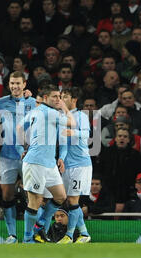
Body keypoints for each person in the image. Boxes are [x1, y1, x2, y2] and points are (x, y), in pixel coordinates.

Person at [19, 84, 75, 243]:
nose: (58, 100)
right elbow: (72, 123)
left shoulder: (35, 112)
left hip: (49, 163)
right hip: (35, 163)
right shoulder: (50, 113)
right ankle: (28, 238)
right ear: (45, 98)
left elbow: (19, 128)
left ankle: (40, 224)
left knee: (60, 196)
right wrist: (64, 106)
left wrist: (24, 146)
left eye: (60, 97)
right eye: (55, 97)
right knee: (34, 202)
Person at [0, 71, 36, 244]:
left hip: (30, 155)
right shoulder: (0, 103)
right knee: (7, 196)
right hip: (7, 156)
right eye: (12, 83)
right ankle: (12, 235)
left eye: (18, 83)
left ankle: (30, 235)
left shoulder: (34, 103)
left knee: (33, 196)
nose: (15, 86)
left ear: (25, 84)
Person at [55, 87, 92, 244]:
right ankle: (84, 233)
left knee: (73, 200)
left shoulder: (81, 116)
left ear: (74, 99)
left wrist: (74, 133)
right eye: (61, 96)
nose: (62, 99)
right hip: (68, 165)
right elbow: (63, 145)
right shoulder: (63, 118)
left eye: (65, 97)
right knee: (68, 200)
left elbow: (87, 134)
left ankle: (69, 235)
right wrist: (61, 159)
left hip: (81, 164)